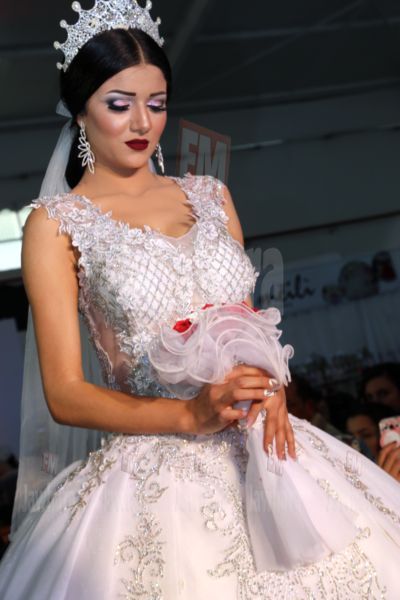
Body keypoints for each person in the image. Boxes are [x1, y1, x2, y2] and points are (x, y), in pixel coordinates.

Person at [0, 1, 400, 597]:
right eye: (119, 104)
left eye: (157, 104)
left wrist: (272, 385)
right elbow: (65, 393)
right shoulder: (56, 225)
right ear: (81, 109)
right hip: (156, 472)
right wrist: (189, 415)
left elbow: (250, 324)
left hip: (268, 447)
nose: (142, 122)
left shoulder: (211, 195)